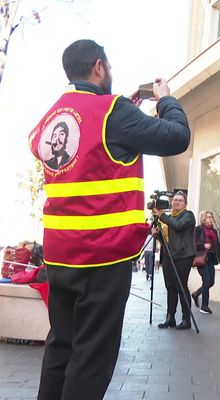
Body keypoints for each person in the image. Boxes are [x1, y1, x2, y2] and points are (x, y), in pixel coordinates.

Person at [28, 39, 190, 400]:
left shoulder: (51, 118)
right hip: (102, 255)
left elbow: (87, 145)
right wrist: (166, 99)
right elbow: (178, 136)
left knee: (61, 346)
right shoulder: (114, 111)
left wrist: (125, 115)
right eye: (110, 67)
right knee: (92, 355)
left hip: (59, 255)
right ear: (99, 67)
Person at [153, 191, 196, 330]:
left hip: (183, 256)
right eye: (175, 200)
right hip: (169, 255)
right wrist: (157, 234)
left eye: (180, 200)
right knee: (170, 287)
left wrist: (162, 216)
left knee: (181, 287)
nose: (176, 202)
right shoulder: (169, 217)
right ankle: (170, 318)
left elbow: (178, 226)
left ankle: (186, 319)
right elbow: (165, 240)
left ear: (185, 203)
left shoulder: (188, 215)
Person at [192, 210, 220, 314]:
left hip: (211, 259)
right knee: (206, 280)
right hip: (201, 259)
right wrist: (203, 245)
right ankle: (204, 306)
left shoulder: (214, 232)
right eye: (208, 217)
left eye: (211, 217)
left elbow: (218, 246)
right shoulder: (198, 230)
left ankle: (196, 294)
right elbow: (192, 244)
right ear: (203, 218)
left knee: (211, 282)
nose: (211, 219)